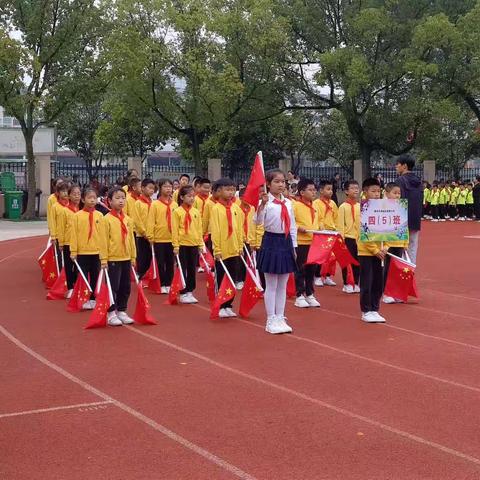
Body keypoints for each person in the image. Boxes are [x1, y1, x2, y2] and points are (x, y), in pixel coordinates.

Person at [255, 169, 297, 334]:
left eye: (283, 182)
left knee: (283, 284)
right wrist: (262, 205)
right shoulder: (265, 203)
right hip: (271, 241)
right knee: (271, 284)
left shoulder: (288, 203)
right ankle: (270, 318)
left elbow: (292, 225)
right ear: (268, 184)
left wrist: (294, 247)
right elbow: (257, 222)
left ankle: (280, 316)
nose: (281, 185)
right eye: (277, 182)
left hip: (285, 242)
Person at [101, 187, 137, 326]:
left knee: (125, 286)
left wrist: (133, 257)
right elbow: (103, 241)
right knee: (113, 286)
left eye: (123, 198)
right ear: (109, 201)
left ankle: (122, 310)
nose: (121, 201)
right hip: (113, 259)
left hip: (126, 257)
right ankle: (111, 312)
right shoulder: (106, 220)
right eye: (117, 198)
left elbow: (131, 240)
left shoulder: (128, 219)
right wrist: (104, 259)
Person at [210, 178, 244, 317]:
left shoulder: (236, 208)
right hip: (222, 250)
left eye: (232, 189)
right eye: (227, 189)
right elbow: (216, 230)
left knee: (233, 278)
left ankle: (229, 304)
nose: (230, 193)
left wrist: (240, 245)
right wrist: (216, 249)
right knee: (222, 277)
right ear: (219, 191)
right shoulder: (216, 208)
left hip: (235, 249)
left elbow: (239, 229)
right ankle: (221, 304)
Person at [69, 188, 105, 310]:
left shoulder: (100, 215)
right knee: (82, 277)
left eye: (94, 198)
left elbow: (103, 235)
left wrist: (104, 251)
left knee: (95, 276)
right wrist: (73, 251)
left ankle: (93, 298)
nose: (92, 200)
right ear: (83, 199)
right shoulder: (77, 216)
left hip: (96, 252)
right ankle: (83, 298)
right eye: (89, 198)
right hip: (82, 252)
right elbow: (73, 235)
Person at [358, 178, 387, 323]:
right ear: (365, 192)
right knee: (367, 281)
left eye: (378, 191)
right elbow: (364, 232)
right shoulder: (363, 208)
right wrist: (375, 250)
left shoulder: (384, 207)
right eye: (373, 191)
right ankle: (366, 310)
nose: (376, 194)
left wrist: (386, 246)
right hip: (366, 251)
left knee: (378, 281)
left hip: (381, 251)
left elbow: (389, 229)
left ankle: (375, 308)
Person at [172, 185, 204, 304]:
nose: (192, 198)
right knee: (182, 268)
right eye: (189, 196)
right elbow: (175, 229)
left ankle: (190, 290)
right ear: (182, 197)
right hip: (182, 244)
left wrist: (200, 244)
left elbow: (199, 229)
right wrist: (176, 245)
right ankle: (182, 291)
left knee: (192, 268)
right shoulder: (177, 212)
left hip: (194, 243)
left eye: (193, 196)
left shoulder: (196, 212)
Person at [293, 178, 321, 308]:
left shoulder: (315, 205)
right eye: (310, 190)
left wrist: (321, 228)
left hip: (314, 241)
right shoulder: (295, 205)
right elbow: (291, 222)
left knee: (311, 269)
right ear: (302, 192)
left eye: (314, 189)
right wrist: (299, 228)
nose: (313, 192)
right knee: (300, 269)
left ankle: (310, 293)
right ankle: (299, 295)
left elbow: (319, 220)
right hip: (301, 242)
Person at [147, 178, 177, 294]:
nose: (168, 189)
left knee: (170, 262)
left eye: (170, 187)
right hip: (159, 238)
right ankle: (162, 283)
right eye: (165, 186)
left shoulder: (174, 204)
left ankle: (169, 283)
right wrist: (150, 237)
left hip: (172, 238)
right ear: (159, 188)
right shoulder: (155, 205)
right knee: (160, 262)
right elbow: (151, 221)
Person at [382, 183, 409, 304]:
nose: (397, 195)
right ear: (387, 194)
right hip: (388, 244)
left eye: (399, 193)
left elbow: (404, 225)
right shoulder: (382, 207)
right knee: (387, 269)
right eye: (394, 193)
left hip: (399, 243)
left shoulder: (402, 207)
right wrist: (383, 244)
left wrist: (405, 242)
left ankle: (396, 292)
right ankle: (386, 292)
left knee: (398, 269)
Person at [394, 154, 423, 264]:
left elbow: (397, 201)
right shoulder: (418, 181)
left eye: (398, 164)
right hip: (415, 219)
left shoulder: (400, 181)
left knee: (399, 247)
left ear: (404, 166)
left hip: (401, 220)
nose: (396, 166)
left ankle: (401, 274)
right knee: (412, 247)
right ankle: (410, 272)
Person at [56, 184, 81, 298]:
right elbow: (61, 228)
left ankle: (77, 285)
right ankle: (70, 287)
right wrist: (60, 243)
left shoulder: (81, 210)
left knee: (79, 266)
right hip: (68, 243)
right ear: (69, 196)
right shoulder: (64, 211)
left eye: (79, 194)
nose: (77, 196)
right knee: (69, 265)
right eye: (74, 194)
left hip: (80, 243)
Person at [337, 180, 361, 294]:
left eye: (357, 188)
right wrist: (341, 239)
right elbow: (340, 224)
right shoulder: (343, 207)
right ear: (346, 191)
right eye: (352, 188)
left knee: (358, 262)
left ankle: (356, 282)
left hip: (359, 238)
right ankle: (347, 283)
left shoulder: (360, 206)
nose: (355, 190)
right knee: (347, 262)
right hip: (348, 237)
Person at [313, 179, 338, 287]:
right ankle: (317, 276)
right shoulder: (316, 203)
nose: (330, 191)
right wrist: (321, 228)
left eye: (331, 189)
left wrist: (337, 229)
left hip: (332, 232)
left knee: (331, 257)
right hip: (322, 233)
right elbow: (317, 217)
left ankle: (327, 276)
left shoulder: (332, 203)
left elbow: (336, 217)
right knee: (320, 256)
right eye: (328, 189)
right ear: (321, 190)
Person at [133, 179, 155, 279]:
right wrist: (145, 233)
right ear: (142, 188)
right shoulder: (138, 203)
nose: (151, 190)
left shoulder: (153, 203)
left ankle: (149, 276)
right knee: (142, 257)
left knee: (151, 257)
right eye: (149, 188)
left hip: (152, 236)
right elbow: (137, 220)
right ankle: (141, 276)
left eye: (153, 189)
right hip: (142, 236)